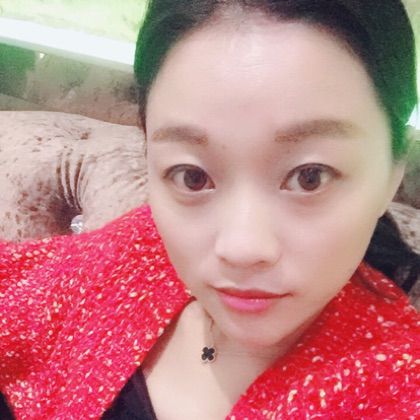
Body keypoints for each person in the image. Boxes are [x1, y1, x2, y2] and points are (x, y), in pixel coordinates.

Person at [0, 0, 419, 418]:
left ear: (392, 172)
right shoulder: (139, 250)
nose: (241, 249)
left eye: (310, 177)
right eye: (192, 177)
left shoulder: (399, 389)